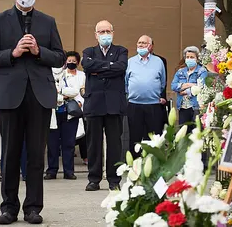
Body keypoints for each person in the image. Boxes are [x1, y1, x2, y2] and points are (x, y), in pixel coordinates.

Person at [0, 0, 65, 225]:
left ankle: (33, 208)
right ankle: (9, 207)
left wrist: (39, 51)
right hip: (9, 95)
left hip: (39, 95)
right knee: (10, 154)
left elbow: (60, 57)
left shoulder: (48, 21)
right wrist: (13, 53)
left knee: (36, 155)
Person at [82, 20, 128, 192]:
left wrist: (98, 69)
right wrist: (109, 67)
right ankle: (93, 178)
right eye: (101, 32)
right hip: (94, 103)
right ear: (96, 34)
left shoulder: (121, 51)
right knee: (93, 143)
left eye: (107, 31)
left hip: (114, 104)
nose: (104, 34)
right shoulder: (88, 51)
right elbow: (87, 65)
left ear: (113, 32)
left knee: (115, 143)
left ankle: (114, 179)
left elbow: (121, 67)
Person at [45, 51, 85, 180]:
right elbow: (48, 92)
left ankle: (69, 171)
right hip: (53, 113)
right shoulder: (47, 74)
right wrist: (61, 94)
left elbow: (75, 91)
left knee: (69, 144)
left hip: (69, 113)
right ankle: (52, 170)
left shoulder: (71, 75)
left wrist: (60, 92)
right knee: (52, 144)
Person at [125, 35, 166, 158]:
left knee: (153, 138)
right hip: (134, 105)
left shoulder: (158, 61)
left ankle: (153, 164)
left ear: (150, 46)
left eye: (144, 43)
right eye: (139, 43)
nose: (141, 45)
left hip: (153, 105)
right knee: (135, 137)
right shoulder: (130, 62)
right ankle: (134, 166)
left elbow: (162, 82)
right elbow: (125, 82)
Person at [171, 46, 207, 132]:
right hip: (183, 107)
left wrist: (185, 91)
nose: (189, 59)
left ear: (197, 59)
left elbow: (201, 87)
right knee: (183, 133)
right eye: (187, 57)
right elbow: (173, 86)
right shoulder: (180, 72)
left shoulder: (202, 71)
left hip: (196, 107)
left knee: (196, 132)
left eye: (192, 57)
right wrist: (189, 84)